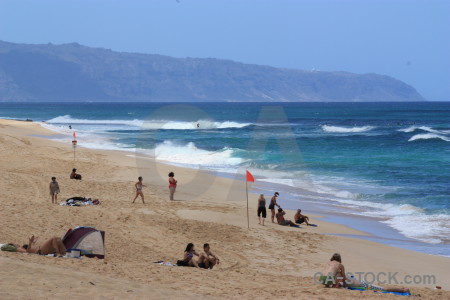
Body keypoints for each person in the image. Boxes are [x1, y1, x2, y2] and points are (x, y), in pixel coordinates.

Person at [319, 253, 410, 293]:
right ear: (339, 259)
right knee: (383, 289)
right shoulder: (340, 266)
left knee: (383, 288)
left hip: (322, 280)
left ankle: (402, 290)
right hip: (362, 284)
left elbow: (327, 275)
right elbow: (344, 277)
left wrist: (337, 284)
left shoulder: (328, 263)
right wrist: (339, 283)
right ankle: (403, 290)